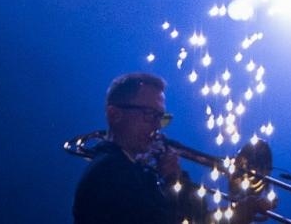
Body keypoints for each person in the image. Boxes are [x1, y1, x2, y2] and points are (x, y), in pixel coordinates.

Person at [71, 73, 209, 224]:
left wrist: (175, 179)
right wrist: (173, 180)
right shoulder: (109, 172)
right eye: (149, 114)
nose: (157, 126)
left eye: (160, 117)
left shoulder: (132, 170)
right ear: (114, 114)